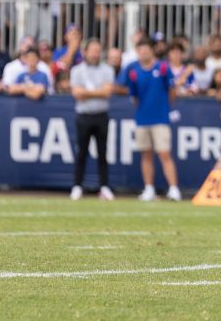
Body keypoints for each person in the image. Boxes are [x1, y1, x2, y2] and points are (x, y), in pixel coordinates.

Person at [116, 39, 180, 201]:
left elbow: (172, 91)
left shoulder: (163, 67)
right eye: (140, 50)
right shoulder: (133, 70)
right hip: (142, 119)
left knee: (164, 153)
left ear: (152, 51)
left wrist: (163, 108)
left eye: (146, 50)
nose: (143, 53)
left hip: (160, 118)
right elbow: (134, 95)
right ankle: (149, 188)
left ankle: (173, 189)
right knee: (146, 155)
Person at [69, 39, 115, 201]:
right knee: (81, 152)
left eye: (98, 50)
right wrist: (97, 91)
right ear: (85, 52)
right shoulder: (77, 70)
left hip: (101, 115)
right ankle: (77, 186)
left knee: (103, 153)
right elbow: (77, 93)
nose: (95, 54)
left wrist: (88, 92)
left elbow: (107, 92)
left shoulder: (107, 69)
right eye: (93, 50)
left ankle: (104, 186)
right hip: (84, 115)